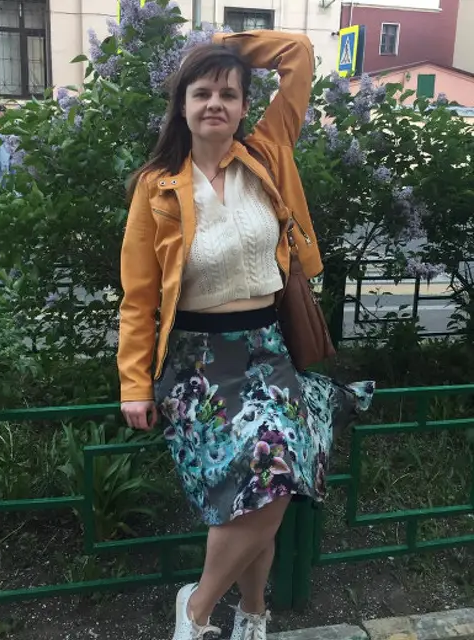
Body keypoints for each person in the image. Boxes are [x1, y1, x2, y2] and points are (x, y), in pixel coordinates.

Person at [118, 29, 374, 640]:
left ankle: (205, 609)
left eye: (228, 93)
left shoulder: (266, 152)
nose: (215, 103)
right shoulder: (157, 187)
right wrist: (133, 383)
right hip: (198, 362)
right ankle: (244, 612)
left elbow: (298, 55)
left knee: (271, 473)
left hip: (266, 350)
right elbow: (139, 296)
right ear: (182, 106)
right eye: (201, 92)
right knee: (261, 486)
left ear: (242, 106)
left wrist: (221, 46)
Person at [0, 105, 10, 184]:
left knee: (4, 164)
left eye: (4, 111)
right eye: (1, 111)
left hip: (4, 144)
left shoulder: (8, 122)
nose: (2, 113)